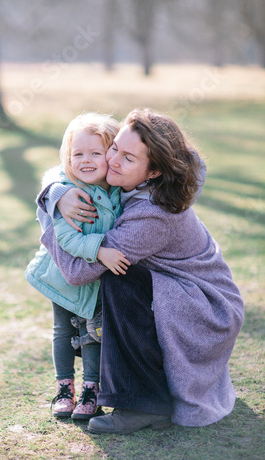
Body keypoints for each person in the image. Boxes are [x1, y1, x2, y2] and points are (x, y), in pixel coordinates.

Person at [37, 108, 244, 434]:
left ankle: (141, 405)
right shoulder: (130, 177)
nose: (113, 160)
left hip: (207, 306)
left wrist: (49, 216)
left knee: (119, 278)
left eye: (128, 158)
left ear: (152, 172)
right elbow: (69, 164)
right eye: (114, 147)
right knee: (120, 274)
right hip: (180, 288)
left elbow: (77, 273)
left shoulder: (152, 212)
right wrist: (57, 191)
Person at [25, 112, 130, 421]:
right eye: (78, 154)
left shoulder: (117, 189)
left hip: (96, 281)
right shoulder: (71, 193)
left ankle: (91, 390)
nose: (86, 160)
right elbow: (68, 239)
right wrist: (102, 252)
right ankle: (64, 388)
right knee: (62, 330)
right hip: (61, 276)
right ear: (67, 158)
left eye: (95, 153)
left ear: (110, 154)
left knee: (93, 332)